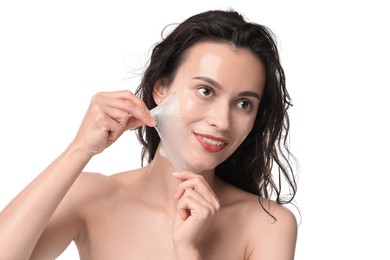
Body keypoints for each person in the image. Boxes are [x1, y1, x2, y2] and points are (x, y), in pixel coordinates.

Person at [0, 9, 298, 259]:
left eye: (244, 104)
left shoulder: (268, 225)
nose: (222, 121)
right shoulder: (92, 198)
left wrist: (188, 251)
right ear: (161, 89)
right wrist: (79, 149)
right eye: (205, 91)